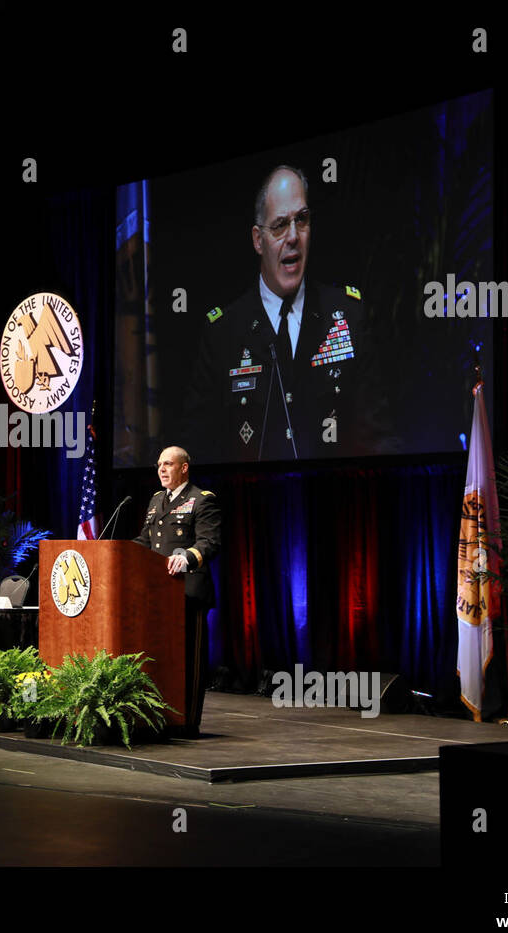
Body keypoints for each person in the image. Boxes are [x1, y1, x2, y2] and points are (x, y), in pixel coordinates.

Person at [184, 165, 394, 461]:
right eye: (280, 225)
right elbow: (200, 451)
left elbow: (378, 442)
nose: (293, 236)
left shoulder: (348, 316)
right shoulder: (224, 333)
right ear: (258, 240)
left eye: (302, 220)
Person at [132, 446, 221, 734]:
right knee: (161, 657)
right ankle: (162, 716)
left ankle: (188, 721)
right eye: (159, 464)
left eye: (168, 464)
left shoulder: (201, 500)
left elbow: (210, 542)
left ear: (184, 467)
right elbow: (146, 542)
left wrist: (187, 556)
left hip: (188, 591)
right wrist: (115, 552)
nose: (162, 469)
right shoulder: (157, 500)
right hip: (158, 593)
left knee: (189, 660)